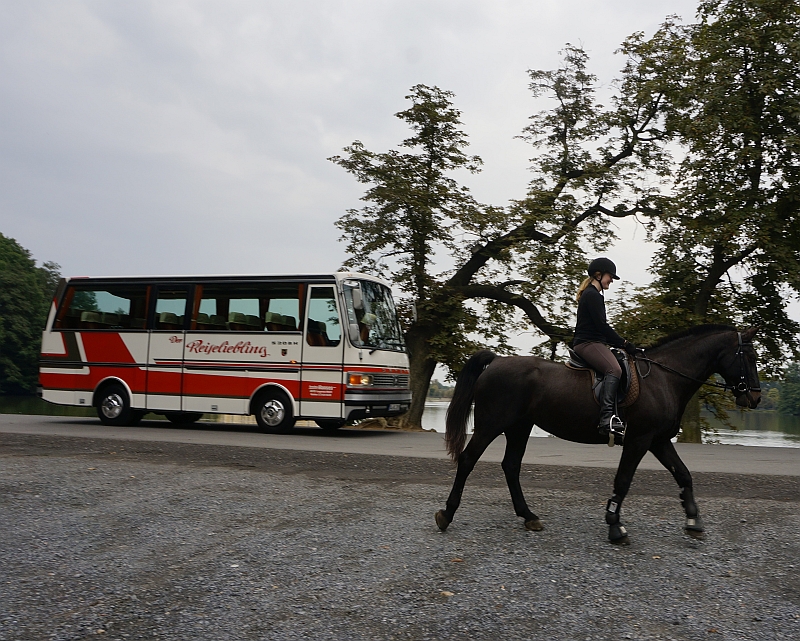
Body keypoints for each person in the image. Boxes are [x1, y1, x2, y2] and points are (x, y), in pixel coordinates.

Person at [573, 257, 636, 441]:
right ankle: (606, 417)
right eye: (610, 277)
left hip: (595, 342)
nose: (611, 281)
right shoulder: (592, 295)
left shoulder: (594, 294)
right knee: (614, 369)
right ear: (598, 275)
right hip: (588, 343)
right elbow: (602, 326)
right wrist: (624, 343)